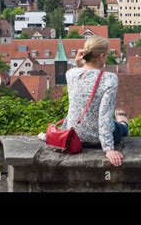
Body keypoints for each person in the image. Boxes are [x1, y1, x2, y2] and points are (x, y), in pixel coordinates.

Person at [38, 36, 128, 167]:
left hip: (73, 136)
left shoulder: (70, 74)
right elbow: (104, 116)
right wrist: (108, 149)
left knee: (112, 123)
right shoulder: (110, 79)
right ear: (101, 56)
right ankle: (123, 120)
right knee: (121, 128)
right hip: (97, 139)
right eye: (107, 54)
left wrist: (78, 64)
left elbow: (81, 75)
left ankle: (120, 121)